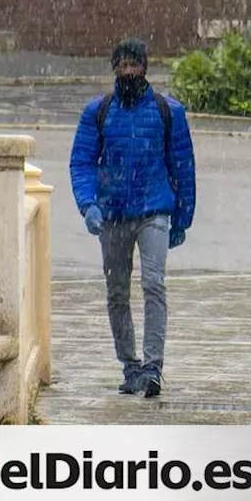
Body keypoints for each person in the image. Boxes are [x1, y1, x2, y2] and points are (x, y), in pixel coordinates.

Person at [69, 38, 196, 398]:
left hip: (154, 210)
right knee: (117, 291)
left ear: (145, 68)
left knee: (154, 284)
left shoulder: (167, 111)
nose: (129, 72)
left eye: (134, 65)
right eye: (123, 65)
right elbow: (82, 162)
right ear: (114, 69)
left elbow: (182, 166)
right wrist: (88, 203)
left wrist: (183, 216)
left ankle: (154, 366)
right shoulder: (98, 112)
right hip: (111, 214)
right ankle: (130, 365)